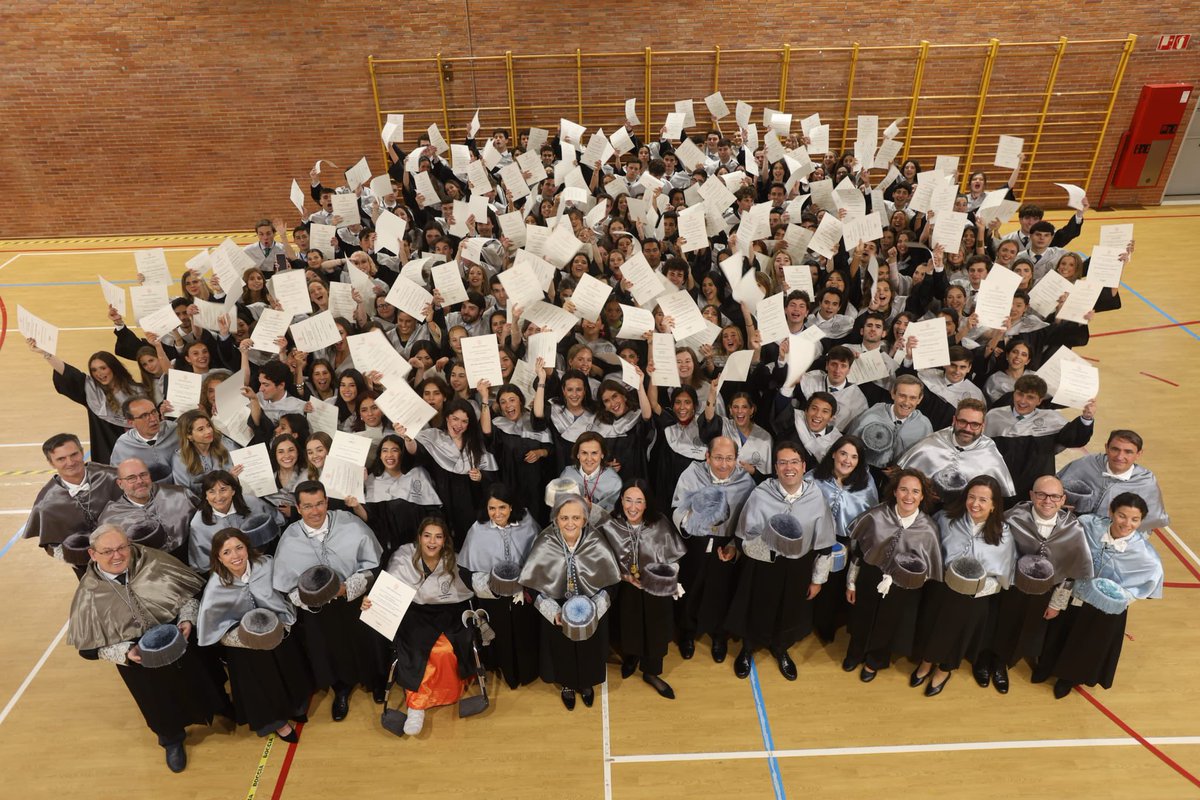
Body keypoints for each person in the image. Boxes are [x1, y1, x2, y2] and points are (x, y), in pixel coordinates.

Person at [66, 524, 230, 773]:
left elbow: (189, 595)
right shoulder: (88, 593)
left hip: (182, 644)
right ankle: (171, 739)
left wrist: (187, 619)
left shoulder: (154, 562)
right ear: (92, 554)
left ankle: (222, 707)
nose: (117, 555)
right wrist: (127, 653)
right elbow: (89, 649)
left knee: (206, 679)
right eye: (108, 551)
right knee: (158, 703)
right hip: (140, 662)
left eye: (122, 547)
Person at [271, 480, 386, 721]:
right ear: (299, 508)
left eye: (320, 504)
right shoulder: (290, 539)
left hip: (355, 600)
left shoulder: (349, 523)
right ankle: (341, 689)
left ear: (326, 502)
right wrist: (313, 598)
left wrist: (348, 589)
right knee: (330, 649)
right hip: (320, 611)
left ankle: (376, 680)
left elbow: (373, 566)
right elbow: (288, 588)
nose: (315, 511)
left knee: (368, 642)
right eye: (308, 506)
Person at [1031, 493, 1163, 699]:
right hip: (1072, 592)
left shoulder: (1145, 555)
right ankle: (1046, 666)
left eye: (1135, 519)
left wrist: (1119, 596)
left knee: (1088, 643)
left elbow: (1148, 582)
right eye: (1122, 516)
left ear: (1141, 521)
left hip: (1103, 608)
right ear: (1111, 511)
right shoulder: (1087, 525)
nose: (1127, 524)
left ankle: (1068, 678)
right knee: (1058, 632)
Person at [726, 442, 837, 681]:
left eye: (794, 462)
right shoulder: (761, 493)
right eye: (783, 462)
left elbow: (825, 544)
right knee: (756, 607)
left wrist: (818, 580)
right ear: (775, 468)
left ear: (803, 466)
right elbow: (744, 534)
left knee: (789, 611)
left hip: (797, 567)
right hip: (762, 565)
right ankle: (748, 648)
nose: (789, 468)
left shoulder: (816, 496)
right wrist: (766, 551)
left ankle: (780, 648)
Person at [197, 528, 312, 741]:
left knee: (289, 670)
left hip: (278, 634)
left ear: (247, 548)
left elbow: (286, 592)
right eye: (227, 552)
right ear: (219, 558)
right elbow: (215, 630)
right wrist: (249, 640)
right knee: (263, 684)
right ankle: (276, 721)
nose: (236, 556)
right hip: (247, 648)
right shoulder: (215, 587)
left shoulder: (266, 565)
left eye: (239, 548)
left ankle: (296, 706)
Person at [369, 517, 475, 736]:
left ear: (445, 540)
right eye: (427, 536)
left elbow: (466, 590)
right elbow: (388, 589)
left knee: (445, 650)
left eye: (438, 536)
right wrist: (371, 601)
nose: (432, 542)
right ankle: (416, 706)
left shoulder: (453, 560)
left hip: (447, 611)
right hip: (414, 612)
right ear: (419, 538)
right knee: (417, 650)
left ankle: (442, 696)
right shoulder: (403, 556)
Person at [912, 476, 1015, 697]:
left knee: (959, 635)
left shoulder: (1003, 534)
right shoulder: (946, 519)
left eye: (983, 500)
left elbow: (1002, 576)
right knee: (932, 628)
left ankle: (944, 670)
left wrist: (974, 588)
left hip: (973, 599)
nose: (975, 504)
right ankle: (926, 662)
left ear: (994, 504)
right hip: (941, 590)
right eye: (971, 497)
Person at [991, 476, 1094, 688]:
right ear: (1031, 495)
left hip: (1046, 592)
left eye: (1055, 496)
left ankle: (1015, 658)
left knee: (1032, 628)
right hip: (1010, 588)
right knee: (1002, 625)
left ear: (1063, 499)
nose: (1048, 501)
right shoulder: (1012, 518)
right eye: (1042, 494)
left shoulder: (1073, 529)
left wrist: (1057, 603)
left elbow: (1071, 573)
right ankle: (997, 662)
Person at [520, 495, 621, 711]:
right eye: (564, 517)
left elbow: (611, 583)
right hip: (556, 610)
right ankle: (566, 684)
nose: (570, 523)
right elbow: (532, 585)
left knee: (589, 649)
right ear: (556, 519)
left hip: (591, 609)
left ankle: (586, 684)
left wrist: (594, 610)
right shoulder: (545, 541)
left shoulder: (596, 540)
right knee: (561, 649)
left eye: (576, 517)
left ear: (585, 519)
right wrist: (553, 612)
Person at [843, 468, 944, 682]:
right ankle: (855, 652)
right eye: (904, 490)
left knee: (889, 624)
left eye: (915, 491)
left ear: (922, 495)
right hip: (869, 578)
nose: (909, 496)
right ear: (895, 492)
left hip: (901, 588)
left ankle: (874, 662)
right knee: (861, 617)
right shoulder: (876, 515)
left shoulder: (929, 530)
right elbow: (859, 555)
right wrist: (851, 583)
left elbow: (928, 570)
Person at [671, 437, 757, 663]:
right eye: (718, 457)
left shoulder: (746, 483)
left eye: (729, 459)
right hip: (695, 543)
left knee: (722, 591)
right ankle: (688, 632)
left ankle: (719, 635)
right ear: (707, 456)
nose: (723, 464)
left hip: (725, 545)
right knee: (691, 586)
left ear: (736, 460)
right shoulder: (691, 475)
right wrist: (696, 520)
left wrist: (734, 548)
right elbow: (677, 508)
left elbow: (750, 522)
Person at [600, 480, 687, 699]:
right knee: (628, 625)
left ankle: (651, 672)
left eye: (639, 501)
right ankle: (631, 658)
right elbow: (602, 561)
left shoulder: (660, 524)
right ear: (621, 501)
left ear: (646, 504)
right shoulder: (611, 525)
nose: (633, 507)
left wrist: (667, 578)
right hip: (626, 588)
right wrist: (623, 576)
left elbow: (673, 558)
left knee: (656, 630)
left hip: (655, 589)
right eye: (628, 500)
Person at [458, 484, 541, 690]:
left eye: (502, 507)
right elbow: (467, 570)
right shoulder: (478, 530)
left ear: (511, 507)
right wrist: (494, 587)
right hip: (493, 595)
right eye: (492, 508)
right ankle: (509, 673)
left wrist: (525, 585)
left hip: (523, 592)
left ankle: (528, 671)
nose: (497, 513)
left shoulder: (527, 523)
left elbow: (540, 556)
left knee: (525, 630)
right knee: (501, 633)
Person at [807, 435, 879, 643]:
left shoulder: (866, 485)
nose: (847, 460)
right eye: (843, 454)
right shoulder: (813, 479)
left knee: (832, 589)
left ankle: (825, 624)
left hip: (844, 543)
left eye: (854, 457)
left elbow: (870, 518)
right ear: (833, 454)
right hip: (814, 540)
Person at [983, 375, 1095, 498]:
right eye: (1020, 394)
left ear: (1040, 400)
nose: (1022, 401)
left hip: (1036, 492)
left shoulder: (1051, 420)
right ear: (1013, 394)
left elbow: (1075, 439)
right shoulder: (993, 417)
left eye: (1030, 397)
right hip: (1000, 487)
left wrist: (1086, 418)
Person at [23, 433, 122, 569]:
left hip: (125, 552)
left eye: (74, 454)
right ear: (52, 463)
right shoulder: (46, 503)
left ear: (82, 452)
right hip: (85, 566)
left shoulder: (113, 477)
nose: (70, 462)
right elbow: (52, 545)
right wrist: (76, 557)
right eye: (61, 459)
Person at [896, 399, 1015, 505]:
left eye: (974, 424)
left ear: (983, 426)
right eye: (962, 422)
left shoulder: (990, 455)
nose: (967, 429)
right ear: (954, 420)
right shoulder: (932, 442)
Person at [1057, 430, 1169, 531]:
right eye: (1115, 449)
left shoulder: (1146, 482)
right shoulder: (1085, 464)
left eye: (1128, 452)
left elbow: (1149, 521)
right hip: (1073, 531)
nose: (1120, 457)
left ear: (1138, 454)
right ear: (1106, 447)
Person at [98, 458, 197, 561]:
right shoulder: (110, 519)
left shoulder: (181, 495)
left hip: (193, 560)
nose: (140, 481)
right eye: (131, 478)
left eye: (143, 475)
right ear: (120, 484)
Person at [189, 470, 284, 570]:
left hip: (265, 560)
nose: (218, 497)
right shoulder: (198, 524)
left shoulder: (252, 503)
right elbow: (203, 564)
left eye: (223, 490)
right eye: (211, 492)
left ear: (233, 491)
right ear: (206, 496)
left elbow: (279, 521)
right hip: (227, 571)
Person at [846, 375, 931, 484]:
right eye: (902, 396)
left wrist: (904, 470)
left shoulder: (924, 426)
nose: (906, 402)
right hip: (863, 474)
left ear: (920, 399)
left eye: (912, 398)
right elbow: (849, 446)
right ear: (893, 394)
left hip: (900, 482)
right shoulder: (871, 416)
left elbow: (922, 462)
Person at [109, 397, 180, 483]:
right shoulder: (123, 445)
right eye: (144, 416)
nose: (153, 419)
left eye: (154, 412)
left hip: (179, 489)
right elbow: (117, 476)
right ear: (131, 422)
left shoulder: (176, 430)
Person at [170, 408, 238, 493]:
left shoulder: (225, 444)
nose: (209, 431)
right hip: (200, 504)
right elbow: (184, 493)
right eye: (201, 429)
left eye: (209, 425)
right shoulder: (180, 459)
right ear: (189, 436)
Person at [556, 431, 623, 514]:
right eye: (584, 453)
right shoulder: (567, 475)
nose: (589, 458)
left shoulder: (614, 481)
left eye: (594, 453)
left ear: (602, 454)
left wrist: (592, 509)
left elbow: (611, 516)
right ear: (577, 454)